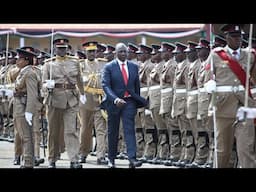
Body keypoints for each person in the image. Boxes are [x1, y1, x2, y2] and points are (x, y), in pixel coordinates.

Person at [204, 24, 256, 168]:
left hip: (245, 107)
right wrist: (209, 84)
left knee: (246, 149)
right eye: (234, 37)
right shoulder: (216, 55)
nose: (237, 40)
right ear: (227, 38)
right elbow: (206, 77)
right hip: (223, 107)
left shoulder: (250, 55)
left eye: (239, 37)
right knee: (222, 150)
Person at [101, 43, 148, 168]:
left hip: (129, 102)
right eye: (121, 52)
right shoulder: (109, 67)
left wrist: (136, 100)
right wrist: (115, 99)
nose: (123, 54)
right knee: (113, 131)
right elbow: (106, 86)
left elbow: (136, 85)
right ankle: (111, 158)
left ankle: (132, 158)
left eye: (125, 52)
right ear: (116, 53)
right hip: (114, 103)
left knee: (129, 130)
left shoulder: (133, 66)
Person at [42, 35, 86, 168]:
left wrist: (83, 93)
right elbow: (43, 83)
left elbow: (79, 79)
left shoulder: (74, 62)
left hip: (71, 100)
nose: (62, 50)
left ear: (67, 48)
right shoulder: (48, 64)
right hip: (54, 99)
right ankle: (52, 158)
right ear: (55, 49)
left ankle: (74, 159)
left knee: (71, 130)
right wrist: (46, 86)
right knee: (54, 131)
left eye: (64, 48)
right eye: (59, 48)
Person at [13, 46, 42, 168]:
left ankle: (28, 162)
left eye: (19, 59)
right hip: (19, 105)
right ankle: (27, 160)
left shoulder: (29, 73)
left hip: (24, 106)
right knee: (23, 134)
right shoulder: (23, 71)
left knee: (26, 136)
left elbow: (32, 94)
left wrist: (29, 111)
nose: (17, 61)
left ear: (26, 60)